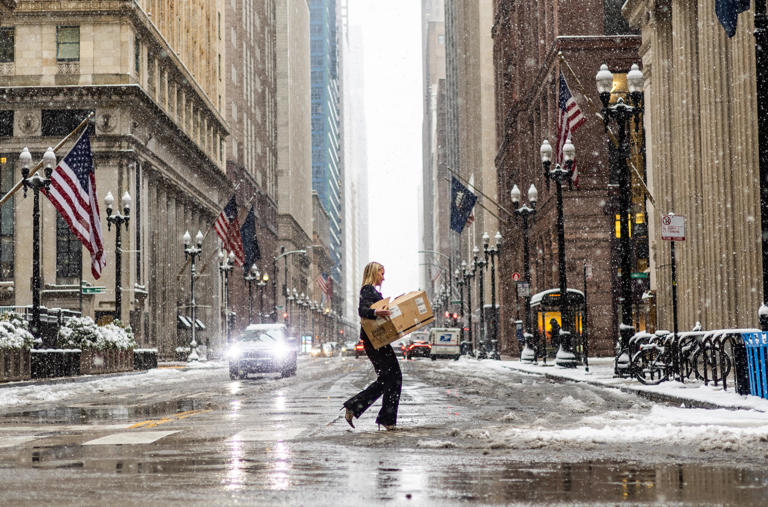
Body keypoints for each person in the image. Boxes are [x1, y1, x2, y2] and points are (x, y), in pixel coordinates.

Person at [343, 262, 401, 430]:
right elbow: (363, 310)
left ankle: (357, 408)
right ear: (374, 273)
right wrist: (376, 312)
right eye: (381, 273)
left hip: (378, 340)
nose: (383, 277)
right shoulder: (367, 289)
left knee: (388, 379)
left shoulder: (374, 291)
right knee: (393, 377)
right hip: (374, 341)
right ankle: (385, 418)